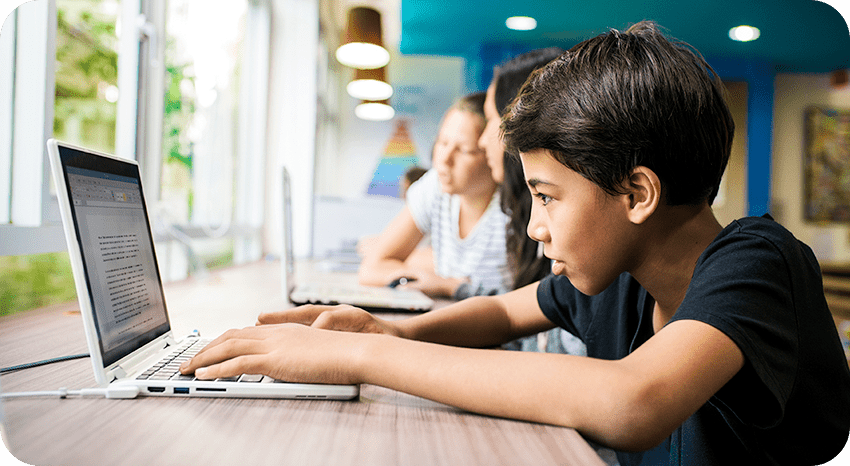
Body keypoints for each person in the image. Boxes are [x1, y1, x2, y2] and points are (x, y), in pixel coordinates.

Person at [181, 21, 850, 465]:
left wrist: (360, 357)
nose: (533, 225)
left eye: (548, 196)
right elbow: (504, 312)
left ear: (637, 194)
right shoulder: (620, 273)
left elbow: (631, 401)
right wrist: (392, 333)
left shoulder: (757, 262)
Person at [357, 92, 512, 299]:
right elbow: (373, 268)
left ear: (493, 151)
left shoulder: (514, 207)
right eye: (442, 142)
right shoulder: (434, 186)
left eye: (464, 150)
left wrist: (444, 283)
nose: (444, 159)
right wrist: (427, 279)